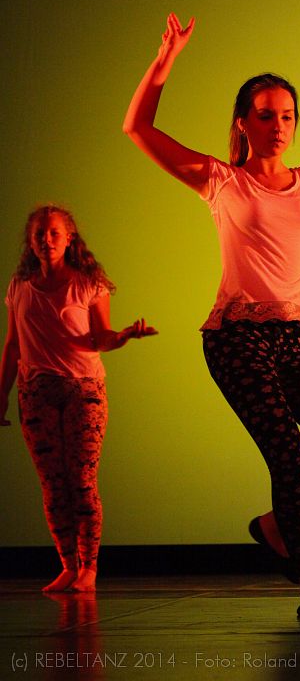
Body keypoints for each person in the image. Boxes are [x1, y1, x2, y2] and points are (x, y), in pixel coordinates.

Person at [122, 12, 300, 619]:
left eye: (286, 116)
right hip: (237, 340)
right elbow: (137, 128)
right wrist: (166, 58)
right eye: (264, 115)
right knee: (287, 454)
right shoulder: (221, 181)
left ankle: (275, 526)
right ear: (243, 122)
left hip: (293, 344)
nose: (277, 126)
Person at [0, 205, 157, 593]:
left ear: (69, 238)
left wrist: (123, 336)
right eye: (39, 233)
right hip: (36, 393)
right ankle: (68, 565)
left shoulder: (88, 283)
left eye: (54, 232)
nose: (46, 240)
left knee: (82, 480)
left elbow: (100, 337)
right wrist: (1, 395)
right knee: (53, 484)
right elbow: (12, 345)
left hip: (83, 392)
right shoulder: (20, 286)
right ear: (30, 241)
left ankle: (89, 568)